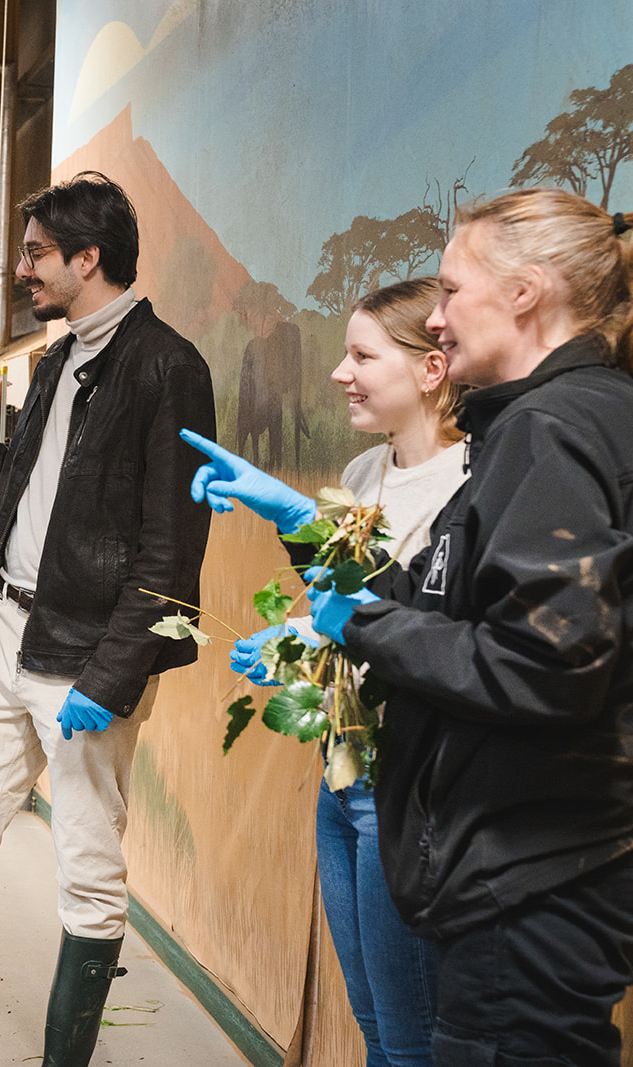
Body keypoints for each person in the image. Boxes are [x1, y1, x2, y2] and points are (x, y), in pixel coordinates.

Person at [185, 189, 633, 1065]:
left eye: (452, 290)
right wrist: (318, 549)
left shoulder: (550, 429)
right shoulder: (547, 424)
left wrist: (367, 626)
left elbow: (547, 665)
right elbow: (451, 605)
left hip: (530, 869)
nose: (438, 316)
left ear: (526, 293)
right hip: (524, 859)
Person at [0, 171, 215, 1067]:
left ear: (87, 259)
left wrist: (112, 675)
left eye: (34, 255)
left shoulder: (169, 368)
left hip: (82, 661)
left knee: (87, 876)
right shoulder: (57, 360)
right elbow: (16, 493)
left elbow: (170, 549)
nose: (20, 270)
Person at [227, 277, 466, 1067]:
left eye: (363, 355)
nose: (340, 373)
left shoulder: (472, 483)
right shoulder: (364, 473)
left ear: (431, 369)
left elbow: (429, 633)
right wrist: (293, 639)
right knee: (373, 1023)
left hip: (408, 789)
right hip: (341, 770)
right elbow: (349, 610)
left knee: (410, 1040)